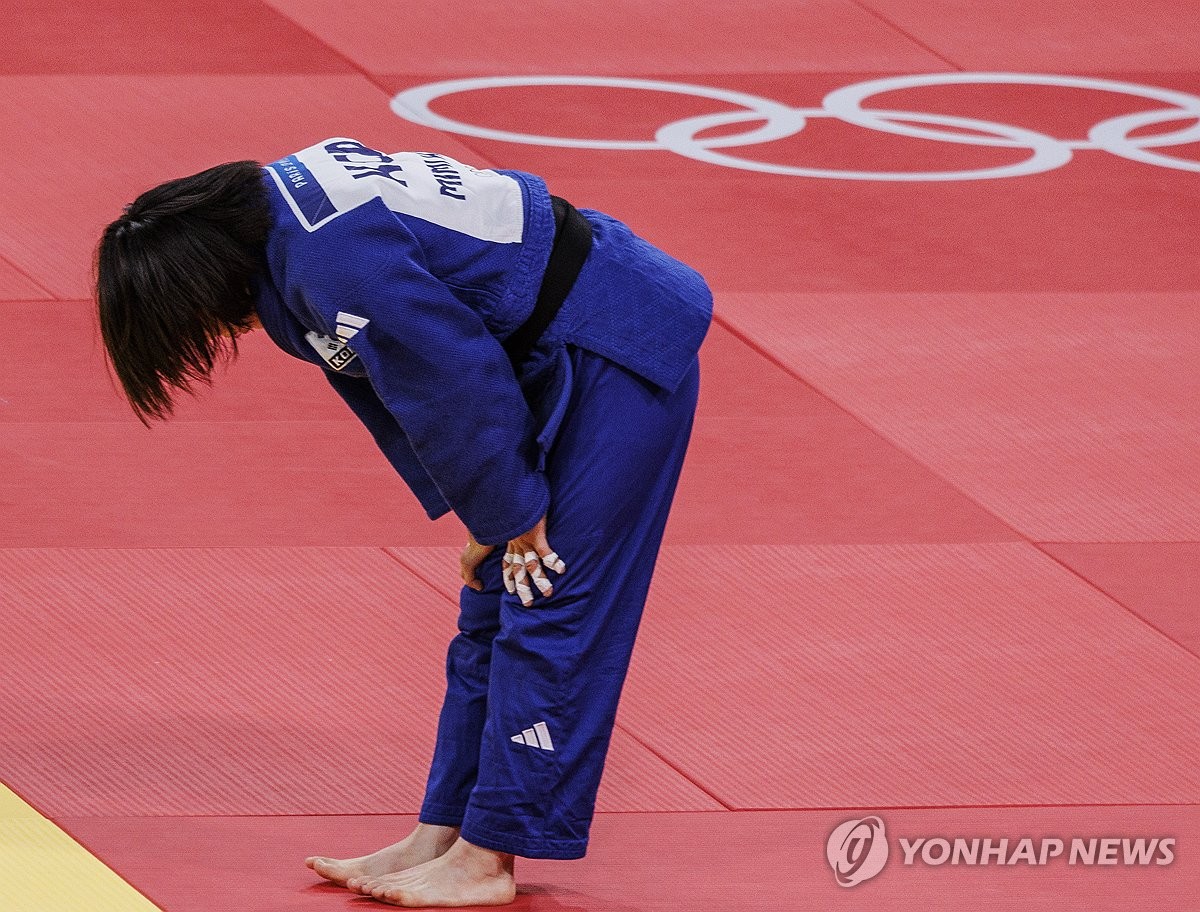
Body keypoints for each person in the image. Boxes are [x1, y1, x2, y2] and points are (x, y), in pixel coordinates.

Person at [95, 138, 712, 907]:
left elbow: (447, 378)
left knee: (547, 593)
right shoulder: (283, 210)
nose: (211, 333)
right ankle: (444, 831)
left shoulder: (330, 260)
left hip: (614, 341)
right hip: (541, 350)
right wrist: (491, 513)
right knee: (492, 594)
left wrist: (512, 513)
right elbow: (403, 378)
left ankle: (486, 860)